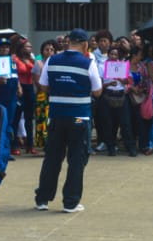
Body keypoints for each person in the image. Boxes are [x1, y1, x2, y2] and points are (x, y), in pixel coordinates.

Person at [34, 29, 103, 212]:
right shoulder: (88, 63)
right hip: (79, 117)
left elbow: (43, 85)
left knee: (52, 157)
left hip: (56, 116)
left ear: (68, 42)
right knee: (77, 157)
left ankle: (42, 199)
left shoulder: (52, 60)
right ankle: (70, 202)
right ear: (84, 44)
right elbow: (97, 91)